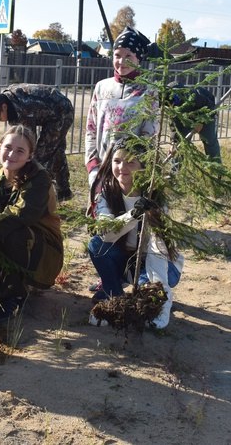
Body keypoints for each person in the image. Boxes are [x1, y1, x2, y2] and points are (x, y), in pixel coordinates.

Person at [0, 125, 64, 322]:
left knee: (14, 232)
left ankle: (14, 297)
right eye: (8, 147)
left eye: (20, 151)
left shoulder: (39, 179)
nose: (12, 154)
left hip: (42, 252)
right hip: (6, 241)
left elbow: (21, 214)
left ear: (29, 156)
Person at [87, 139, 183, 329]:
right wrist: (134, 214)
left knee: (148, 303)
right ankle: (114, 296)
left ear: (143, 167)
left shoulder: (155, 196)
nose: (122, 167)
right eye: (117, 161)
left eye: (131, 162)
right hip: (125, 258)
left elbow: (158, 247)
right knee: (96, 245)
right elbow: (107, 234)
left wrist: (159, 289)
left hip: (158, 264)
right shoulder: (107, 192)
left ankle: (158, 298)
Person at [85, 26, 161, 188]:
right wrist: (92, 165)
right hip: (101, 169)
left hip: (130, 172)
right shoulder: (101, 87)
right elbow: (91, 129)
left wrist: (133, 168)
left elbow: (150, 134)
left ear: (138, 59)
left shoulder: (149, 91)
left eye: (129, 56)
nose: (121, 61)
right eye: (117, 55)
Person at [0, 84, 75, 201]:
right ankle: (64, 192)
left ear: (4, 107)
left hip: (61, 112)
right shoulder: (9, 101)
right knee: (55, 151)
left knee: (42, 156)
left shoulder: (22, 108)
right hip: (52, 109)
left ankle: (38, 196)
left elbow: (28, 143)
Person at [168, 81, 221, 163]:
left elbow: (210, 108)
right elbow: (174, 125)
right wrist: (173, 142)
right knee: (180, 144)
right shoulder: (169, 102)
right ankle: (175, 172)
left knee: (210, 141)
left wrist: (201, 122)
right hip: (186, 118)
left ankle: (217, 170)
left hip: (206, 115)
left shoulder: (194, 95)